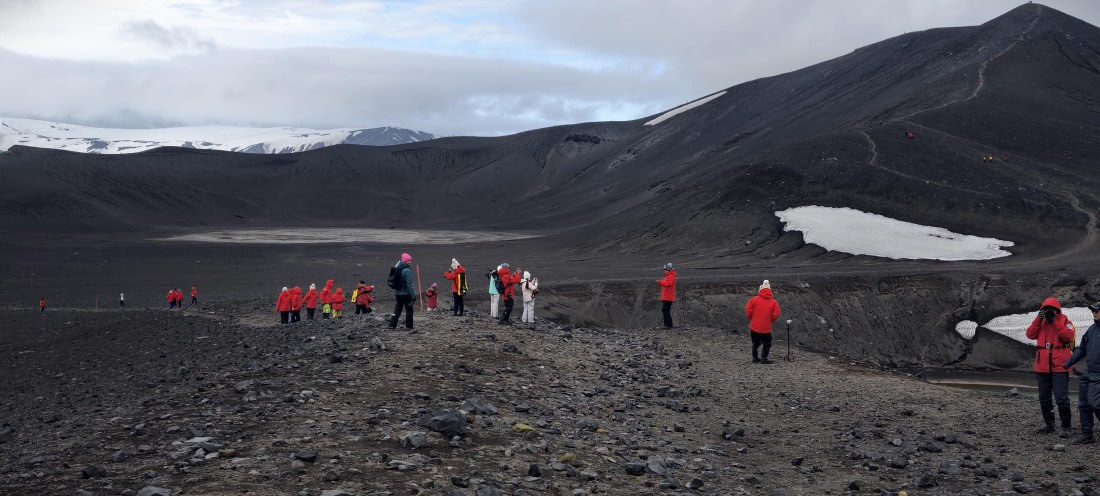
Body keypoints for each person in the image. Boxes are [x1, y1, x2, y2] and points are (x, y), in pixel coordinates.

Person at [1027, 297, 1077, 436]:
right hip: (1042, 364)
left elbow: (1068, 337)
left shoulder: (1066, 322)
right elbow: (1030, 334)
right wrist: (1038, 319)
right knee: (1044, 396)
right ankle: (1049, 424)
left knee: (1061, 397)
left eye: (1052, 309)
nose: (1049, 311)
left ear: (1057, 310)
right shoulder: (1041, 322)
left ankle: (1066, 427)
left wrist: (1054, 321)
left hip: (1060, 364)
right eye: (1045, 309)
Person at [1064, 302, 1100, 444]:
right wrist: (1068, 363)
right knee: (1084, 404)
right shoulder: (1091, 329)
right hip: (1089, 372)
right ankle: (1087, 434)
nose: (1094, 313)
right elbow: (1082, 349)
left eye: (1097, 311)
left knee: (1095, 403)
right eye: (1093, 311)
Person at [745, 280, 781, 364]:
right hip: (766, 328)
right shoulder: (773, 302)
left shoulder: (753, 300)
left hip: (755, 326)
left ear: (760, 290)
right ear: (770, 290)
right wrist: (771, 320)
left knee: (755, 343)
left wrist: (751, 318)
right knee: (767, 343)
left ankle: (755, 358)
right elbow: (776, 314)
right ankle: (764, 358)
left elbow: (748, 310)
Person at [389, 253, 418, 329]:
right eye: (409, 260)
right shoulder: (407, 270)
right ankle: (409, 326)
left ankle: (392, 325)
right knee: (409, 310)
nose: (410, 261)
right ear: (405, 261)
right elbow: (409, 284)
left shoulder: (397, 268)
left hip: (398, 293)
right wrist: (413, 295)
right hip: (406, 294)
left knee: (397, 309)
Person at [657, 263, 677, 328]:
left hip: (668, 296)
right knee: (665, 310)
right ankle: (667, 325)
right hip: (667, 296)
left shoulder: (671, 276)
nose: (664, 271)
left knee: (665, 310)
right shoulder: (668, 276)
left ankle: (668, 325)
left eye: (665, 270)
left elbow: (668, 284)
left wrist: (660, 282)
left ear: (668, 269)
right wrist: (661, 281)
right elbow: (666, 283)